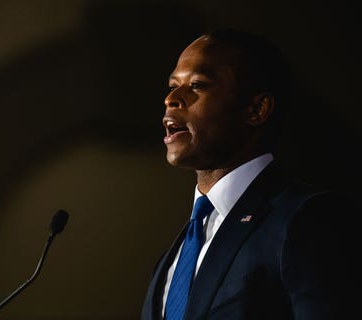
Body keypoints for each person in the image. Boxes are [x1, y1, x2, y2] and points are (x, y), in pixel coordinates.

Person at [140, 28, 357, 320]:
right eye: (172, 86)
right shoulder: (172, 258)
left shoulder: (307, 220)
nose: (172, 99)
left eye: (197, 85)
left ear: (256, 109)